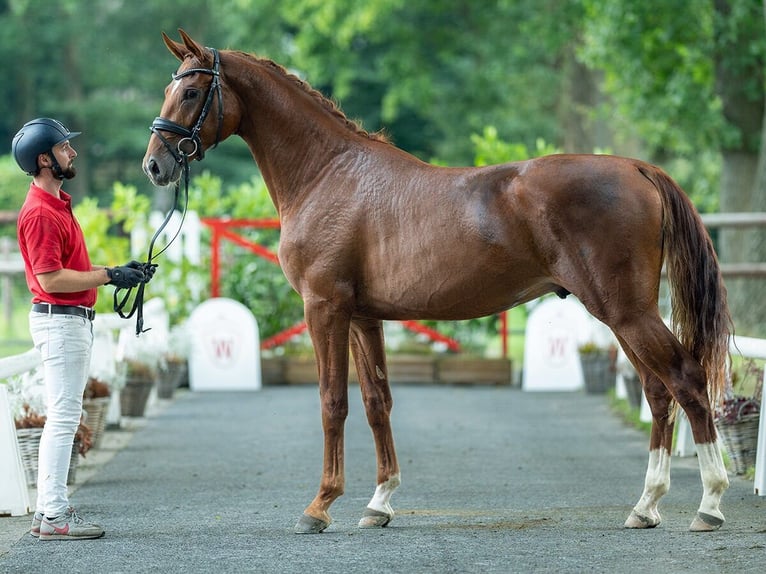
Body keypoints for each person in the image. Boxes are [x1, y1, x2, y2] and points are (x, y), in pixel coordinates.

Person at [12, 118, 154, 540]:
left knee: (64, 415)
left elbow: (67, 271)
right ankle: (54, 516)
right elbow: (52, 279)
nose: (72, 152)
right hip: (61, 323)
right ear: (44, 160)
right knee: (62, 417)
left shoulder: (56, 205)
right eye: (63, 148)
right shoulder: (39, 213)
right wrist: (109, 276)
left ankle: (48, 513)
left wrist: (118, 273)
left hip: (68, 322)